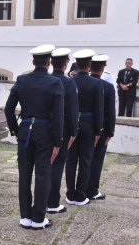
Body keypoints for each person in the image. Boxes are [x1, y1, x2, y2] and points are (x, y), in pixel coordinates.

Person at [5, 44, 64, 230]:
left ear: (33, 61)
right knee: (42, 174)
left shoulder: (22, 80)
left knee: (25, 174)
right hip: (45, 133)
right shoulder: (55, 82)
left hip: (25, 132)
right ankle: (39, 218)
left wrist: (15, 130)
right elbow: (59, 116)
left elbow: (8, 109)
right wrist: (57, 142)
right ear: (49, 62)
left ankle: (25, 217)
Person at [65, 49, 104, 206]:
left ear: (76, 64)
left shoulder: (70, 81)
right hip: (88, 125)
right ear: (89, 65)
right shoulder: (96, 83)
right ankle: (81, 195)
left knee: (71, 160)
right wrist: (98, 131)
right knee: (86, 161)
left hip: (71, 124)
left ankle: (70, 193)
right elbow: (99, 110)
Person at [47, 48, 79, 214]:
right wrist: (74, 132)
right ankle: (52, 202)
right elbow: (73, 110)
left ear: (51, 63)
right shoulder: (68, 82)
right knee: (58, 165)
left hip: (44, 127)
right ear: (66, 63)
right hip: (63, 129)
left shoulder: (46, 79)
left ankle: (42, 199)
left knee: (44, 166)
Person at [87, 54, 116, 200]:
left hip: (83, 126)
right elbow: (111, 112)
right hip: (102, 128)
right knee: (97, 159)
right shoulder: (108, 86)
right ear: (103, 68)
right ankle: (92, 190)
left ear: (90, 67)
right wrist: (111, 131)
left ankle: (79, 188)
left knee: (82, 159)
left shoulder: (81, 82)